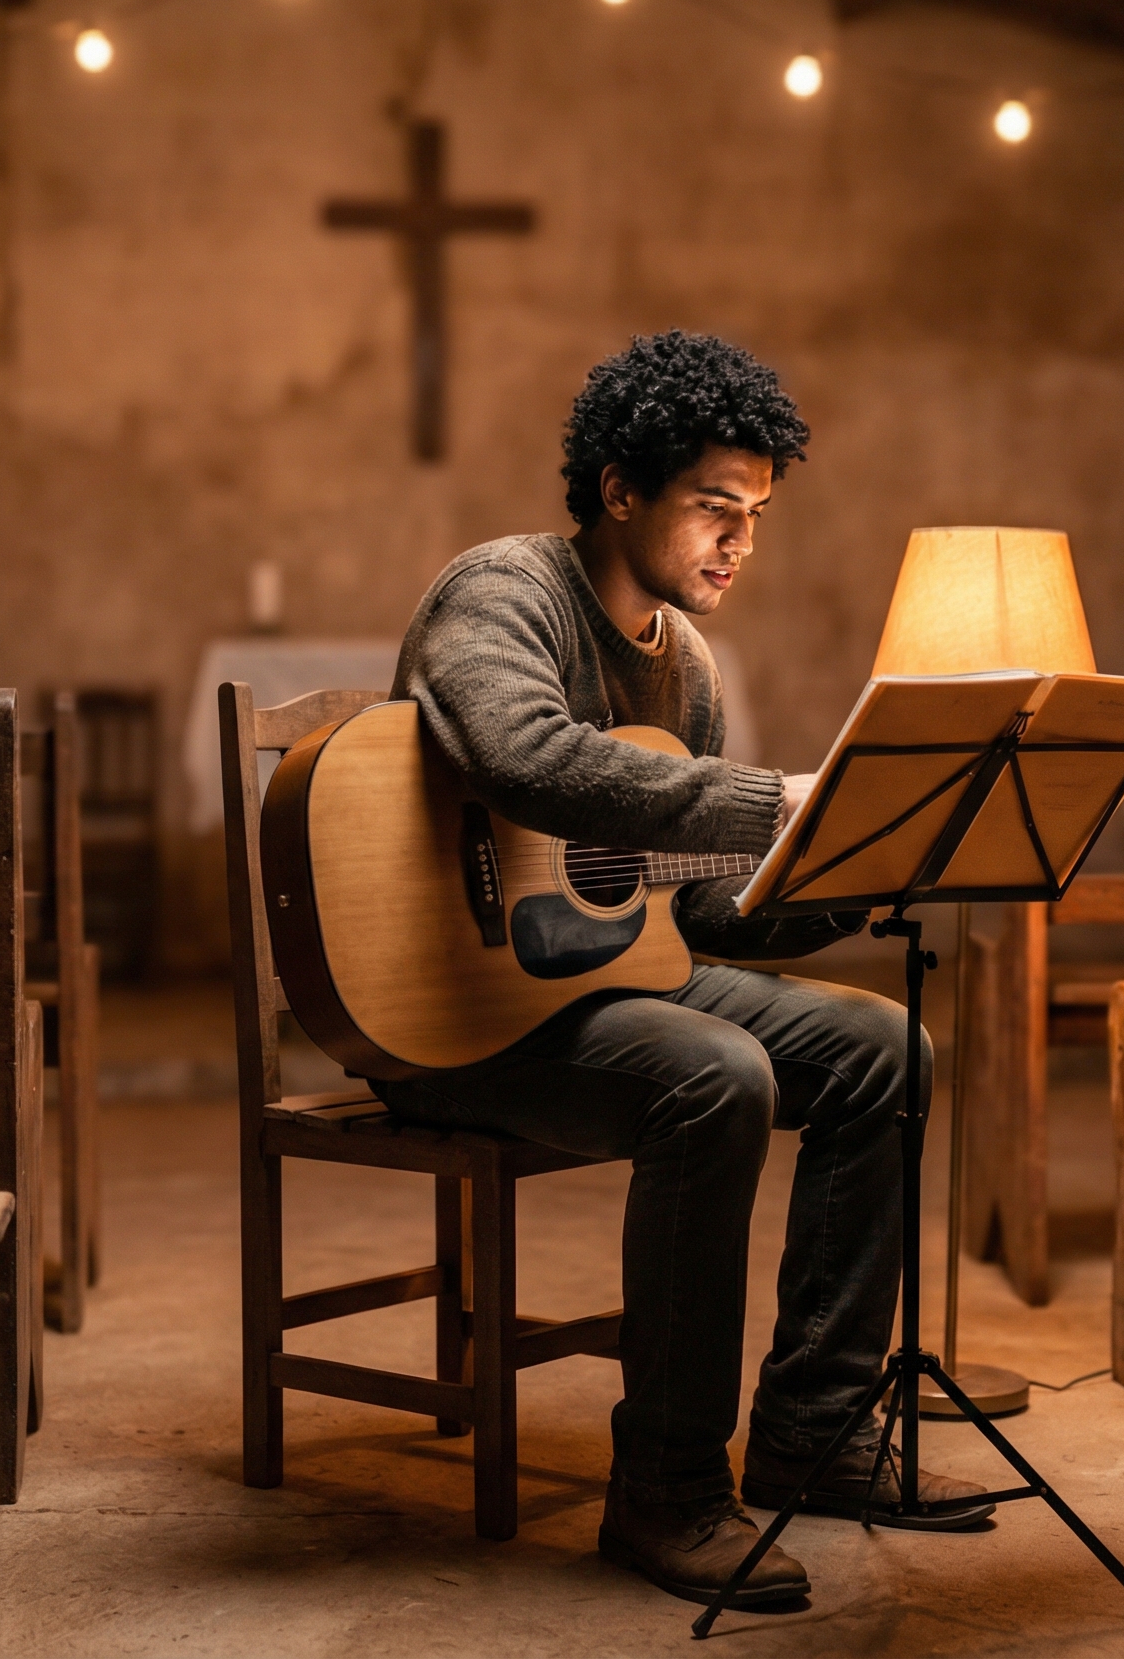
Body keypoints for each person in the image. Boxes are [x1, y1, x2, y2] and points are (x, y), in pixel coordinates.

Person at [379, 331, 992, 1610]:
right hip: (455, 1005)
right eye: (716, 509)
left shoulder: (688, 666)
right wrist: (775, 799)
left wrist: (855, 862)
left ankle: (813, 1432)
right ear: (620, 489)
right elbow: (525, 757)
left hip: (600, 990)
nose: (739, 544)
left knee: (887, 1048)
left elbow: (698, 908)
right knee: (714, 1075)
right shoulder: (499, 595)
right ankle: (665, 1490)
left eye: (756, 517)